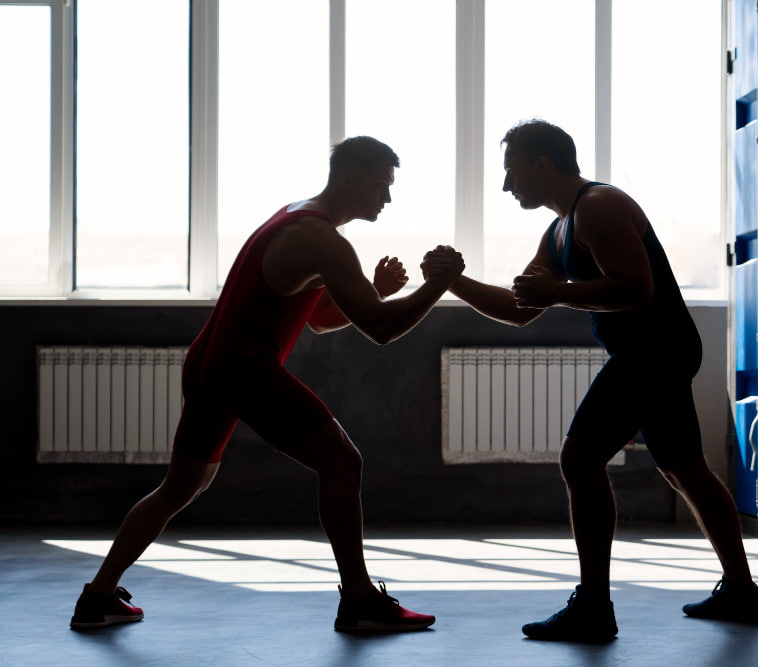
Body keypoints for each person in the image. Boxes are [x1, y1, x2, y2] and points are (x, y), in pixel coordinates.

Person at [70, 136, 464, 633]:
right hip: (243, 371)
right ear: (348, 179)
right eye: (382, 186)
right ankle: (361, 600)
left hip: (210, 364)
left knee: (179, 487)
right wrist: (438, 284)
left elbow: (319, 318)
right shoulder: (324, 240)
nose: (387, 198)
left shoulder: (297, 218)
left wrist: (378, 291)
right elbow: (382, 329)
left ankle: (97, 597)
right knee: (343, 463)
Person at [447, 120, 758, 641]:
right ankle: (741, 590)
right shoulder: (557, 230)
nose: (508, 186)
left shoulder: (599, 206)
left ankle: (594, 605)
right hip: (653, 351)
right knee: (684, 469)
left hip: (655, 349)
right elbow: (520, 308)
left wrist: (558, 293)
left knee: (580, 457)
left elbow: (636, 290)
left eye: (512, 171)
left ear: (542, 164)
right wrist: (454, 281)